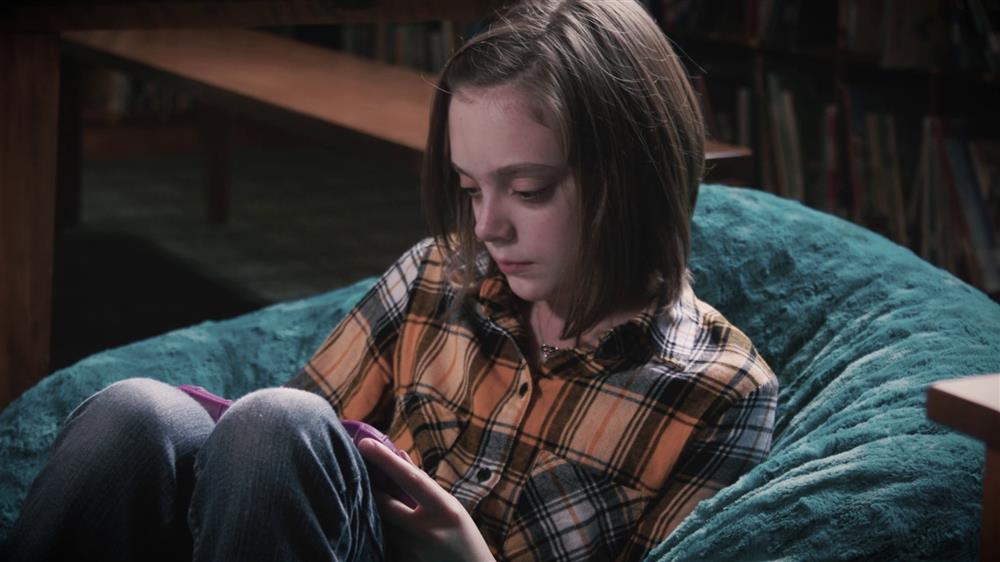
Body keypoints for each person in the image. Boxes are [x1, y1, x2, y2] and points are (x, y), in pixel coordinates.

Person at [1, 1, 778, 561]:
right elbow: (273, 461)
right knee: (141, 413)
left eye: (529, 190)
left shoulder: (720, 392)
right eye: (471, 188)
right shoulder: (440, 275)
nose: (488, 227)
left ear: (635, 179)